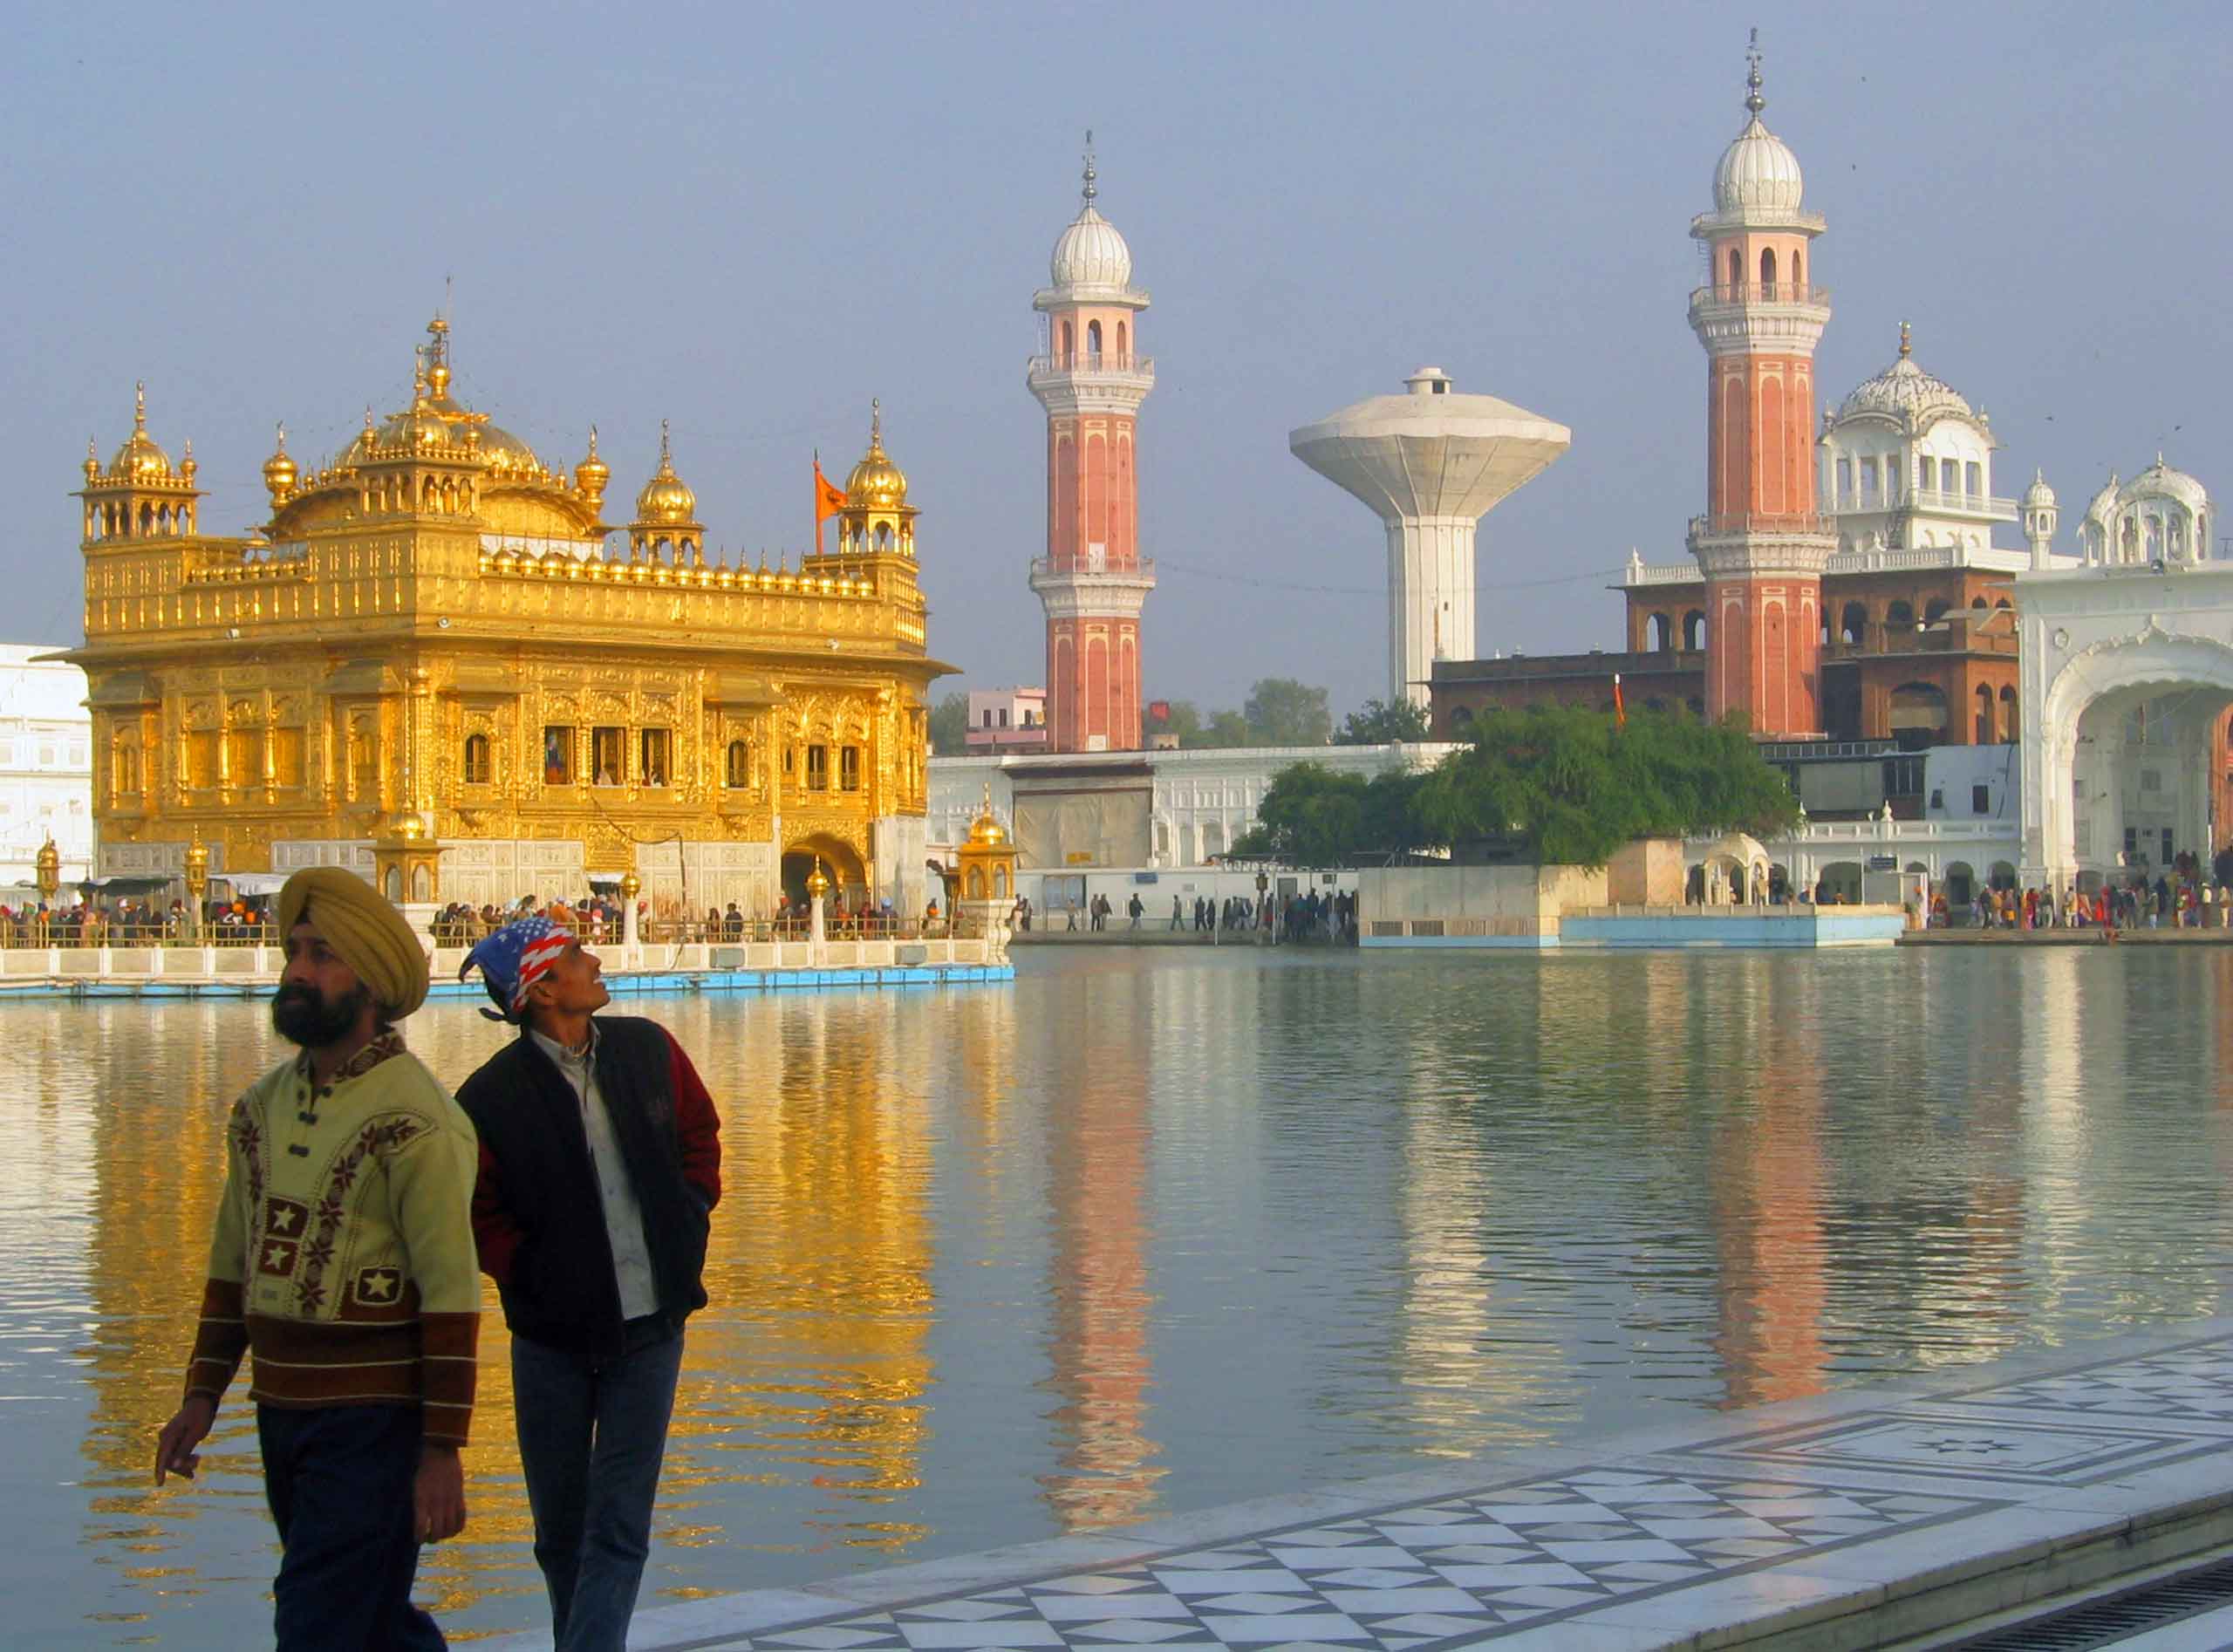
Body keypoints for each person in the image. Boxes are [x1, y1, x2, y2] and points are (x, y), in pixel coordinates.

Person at [154, 868, 480, 1651]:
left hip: (376, 1420)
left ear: (369, 981)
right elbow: (235, 1256)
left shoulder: (417, 1121)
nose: (298, 971)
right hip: (283, 1409)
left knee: (315, 1618)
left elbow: (450, 1289)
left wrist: (441, 1451)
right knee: (361, 1618)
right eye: (296, 951)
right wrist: (201, 1398)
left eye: (323, 955)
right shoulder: (261, 1106)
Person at [455, 917, 722, 1652]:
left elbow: (700, 1136)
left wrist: (689, 1216)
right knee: (561, 1530)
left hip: (652, 1324)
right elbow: (478, 1214)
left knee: (619, 1525)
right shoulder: (490, 1098)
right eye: (575, 955)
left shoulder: (647, 1051)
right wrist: (533, 1277)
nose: (595, 959)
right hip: (551, 1339)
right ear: (542, 990)